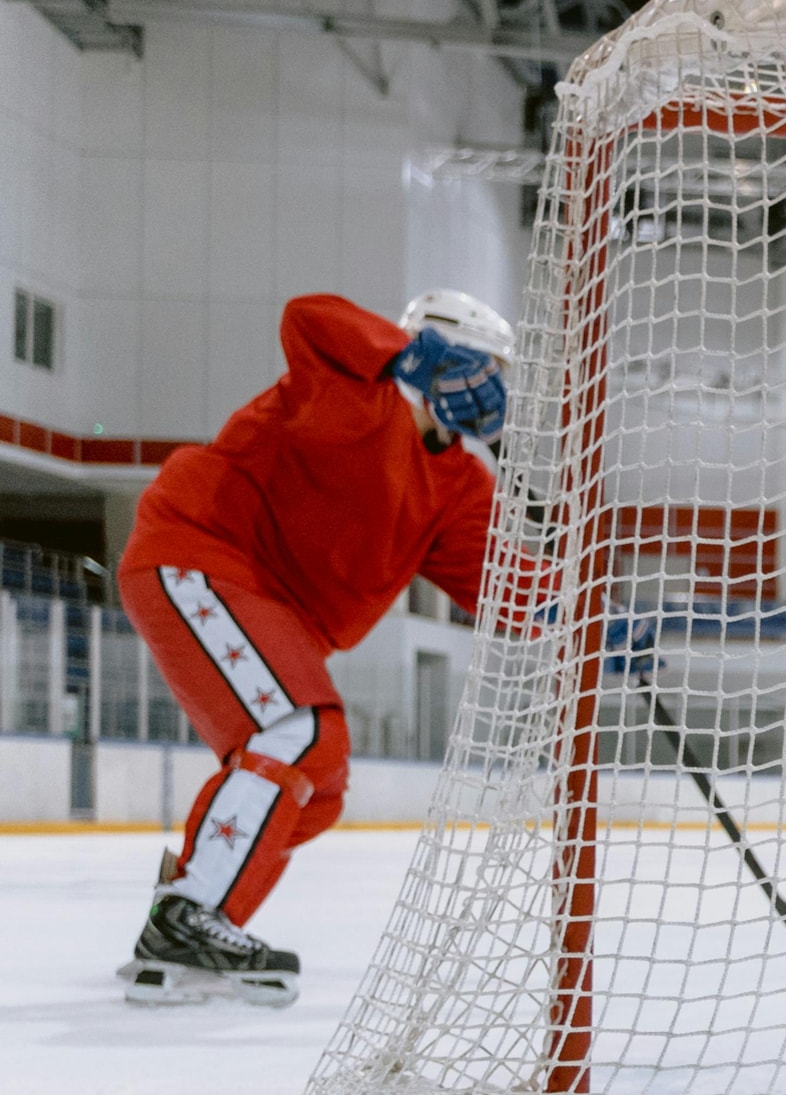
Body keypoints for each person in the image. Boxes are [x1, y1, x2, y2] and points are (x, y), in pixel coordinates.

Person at [115, 290, 513, 1005]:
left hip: (266, 610)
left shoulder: (458, 484)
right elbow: (309, 316)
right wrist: (414, 358)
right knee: (298, 731)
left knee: (319, 788)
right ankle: (190, 912)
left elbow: (504, 588)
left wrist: (594, 624)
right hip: (202, 553)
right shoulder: (352, 389)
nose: (494, 386)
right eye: (488, 367)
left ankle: (190, 914)